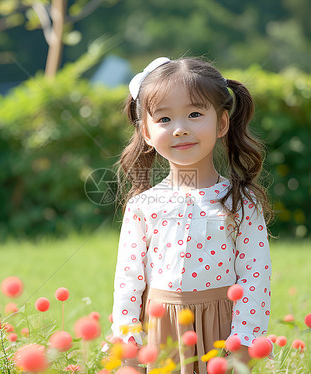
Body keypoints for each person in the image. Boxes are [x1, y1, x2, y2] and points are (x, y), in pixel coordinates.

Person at [110, 57, 273, 373]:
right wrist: (130, 351)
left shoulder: (241, 202)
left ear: (222, 123)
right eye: (164, 119)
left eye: (195, 114)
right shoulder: (144, 205)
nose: (180, 129)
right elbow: (128, 280)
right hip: (160, 332)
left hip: (221, 335)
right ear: (145, 131)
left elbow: (255, 278)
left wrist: (242, 347)